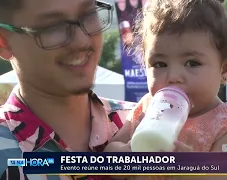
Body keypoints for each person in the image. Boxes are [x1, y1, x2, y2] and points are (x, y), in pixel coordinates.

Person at [105, 0, 227, 179]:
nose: (173, 76)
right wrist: (131, 150)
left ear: (225, 69)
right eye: (160, 64)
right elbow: (109, 158)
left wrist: (189, 167)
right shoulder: (147, 108)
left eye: (192, 63)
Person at [0, 0, 135, 179]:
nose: (81, 41)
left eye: (88, 15)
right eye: (53, 26)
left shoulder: (143, 124)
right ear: (4, 43)